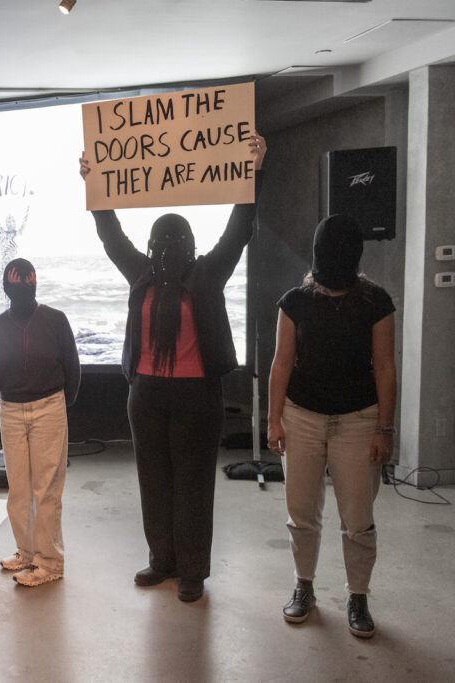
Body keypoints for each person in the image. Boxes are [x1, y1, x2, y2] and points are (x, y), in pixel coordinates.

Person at [79, 133, 266, 601]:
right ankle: (161, 560)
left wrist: (254, 170)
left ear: (191, 241)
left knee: (194, 485)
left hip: (197, 396)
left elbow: (239, 230)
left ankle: (192, 572)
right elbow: (109, 234)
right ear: (150, 243)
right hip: (145, 394)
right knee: (154, 481)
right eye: (162, 239)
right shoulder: (139, 273)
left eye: (177, 238)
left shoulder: (208, 272)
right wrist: (94, 181)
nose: (169, 246)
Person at [267, 214, 396, 638]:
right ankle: (304, 586)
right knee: (301, 512)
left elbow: (384, 368)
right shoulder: (294, 302)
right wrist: (273, 420)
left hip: (359, 422)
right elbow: (281, 363)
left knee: (358, 517)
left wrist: (384, 429)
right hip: (301, 417)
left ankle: (358, 595)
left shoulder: (376, 302)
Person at [0, 258, 80, 587]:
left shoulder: (55, 320)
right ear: (6, 288)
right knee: (19, 489)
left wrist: (58, 405)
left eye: (27, 283)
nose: (23, 288)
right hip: (10, 409)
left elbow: (72, 367)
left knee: (47, 490)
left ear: (35, 284)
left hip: (48, 407)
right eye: (17, 283)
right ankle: (26, 553)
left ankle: (50, 562)